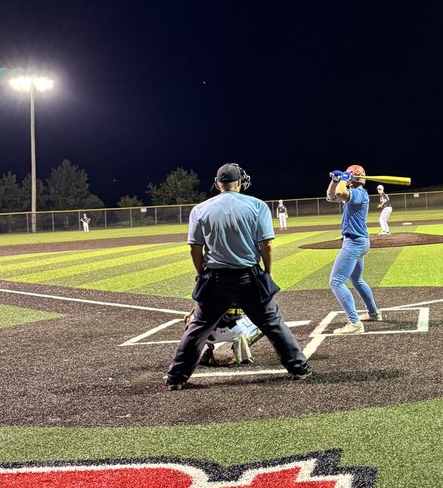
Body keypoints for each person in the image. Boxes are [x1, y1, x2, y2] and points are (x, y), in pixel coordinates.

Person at [163, 162, 310, 391]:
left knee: (199, 327)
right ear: (240, 182)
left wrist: (202, 273)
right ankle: (298, 368)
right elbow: (266, 245)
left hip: (215, 278)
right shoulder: (257, 205)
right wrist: (267, 272)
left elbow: (195, 248)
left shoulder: (200, 209)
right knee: (272, 323)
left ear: (217, 184)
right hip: (248, 276)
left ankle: (176, 378)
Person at [326, 165, 381, 333]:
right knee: (356, 280)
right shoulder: (355, 192)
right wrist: (335, 180)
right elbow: (331, 196)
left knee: (336, 281)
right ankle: (373, 312)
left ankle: (354, 323)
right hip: (360, 241)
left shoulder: (358, 193)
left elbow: (341, 193)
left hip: (354, 243)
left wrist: (343, 179)